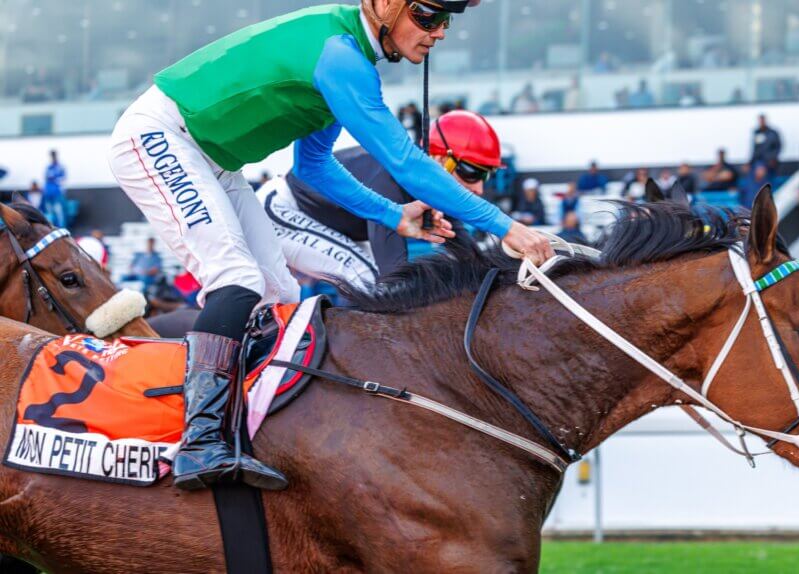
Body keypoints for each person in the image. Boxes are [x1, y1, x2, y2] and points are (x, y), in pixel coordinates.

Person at [106, 0, 554, 492]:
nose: (439, 31)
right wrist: (506, 227)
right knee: (237, 280)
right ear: (384, 6)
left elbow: (314, 166)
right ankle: (199, 443)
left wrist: (393, 216)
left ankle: (246, 432)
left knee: (280, 296)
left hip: (212, 160)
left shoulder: (349, 56)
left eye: (446, 20)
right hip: (160, 136)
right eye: (427, 15)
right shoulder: (342, 58)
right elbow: (405, 162)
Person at [257, 110, 509, 284]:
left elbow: (469, 258)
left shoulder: (431, 185)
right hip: (281, 208)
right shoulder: (390, 178)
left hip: (320, 218)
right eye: (473, 172)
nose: (479, 189)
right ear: (441, 159)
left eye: (487, 175)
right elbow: (393, 277)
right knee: (370, 279)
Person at [42, 149, 66, 227]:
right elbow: (46, 177)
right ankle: (51, 227)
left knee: (59, 212)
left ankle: (61, 227)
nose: (53, 158)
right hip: (48, 192)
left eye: (54, 156)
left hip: (56, 193)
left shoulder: (60, 167)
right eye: (52, 156)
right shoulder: (49, 167)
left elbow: (63, 179)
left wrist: (54, 179)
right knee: (49, 212)